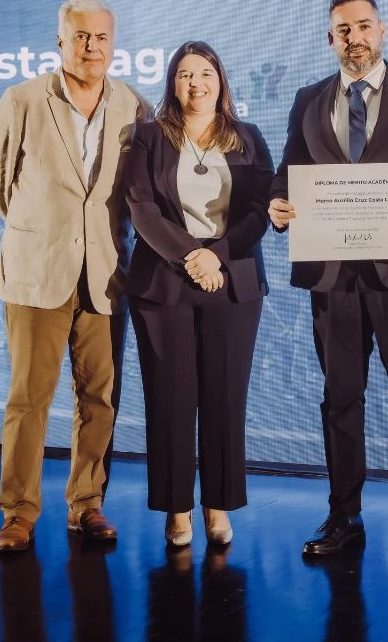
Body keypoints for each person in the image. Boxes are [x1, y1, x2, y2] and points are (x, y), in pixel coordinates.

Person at [269, 0, 388, 562]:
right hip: (332, 278)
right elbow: (287, 174)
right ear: (331, 39)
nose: (355, 37)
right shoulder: (308, 99)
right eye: (343, 29)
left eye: (364, 26)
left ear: (384, 30)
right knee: (339, 400)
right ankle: (343, 515)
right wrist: (278, 205)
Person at [0, 0, 151, 552]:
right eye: (80, 37)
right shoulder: (23, 99)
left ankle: (87, 505)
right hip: (37, 273)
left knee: (99, 399)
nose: (92, 47)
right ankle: (18, 513)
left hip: (105, 275)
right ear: (61, 41)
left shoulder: (134, 106)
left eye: (101, 36)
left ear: (113, 41)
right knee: (29, 399)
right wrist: (44, 235)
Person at [124, 41, 273, 547]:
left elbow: (262, 207)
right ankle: (176, 509)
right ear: (172, 83)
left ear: (220, 80)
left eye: (205, 73)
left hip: (233, 283)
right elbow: (142, 208)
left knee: (224, 399)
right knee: (170, 399)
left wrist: (218, 254)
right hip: (165, 283)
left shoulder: (248, 138)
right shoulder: (148, 137)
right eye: (185, 74)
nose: (196, 83)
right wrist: (192, 256)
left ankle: (218, 505)